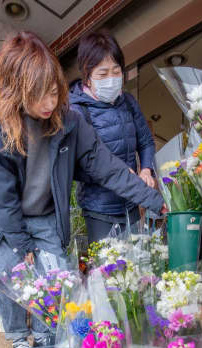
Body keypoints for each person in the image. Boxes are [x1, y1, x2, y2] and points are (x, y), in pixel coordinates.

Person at [0, 31, 165, 348]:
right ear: (18, 92)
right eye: (40, 96)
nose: (50, 104)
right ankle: (19, 338)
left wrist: (152, 199)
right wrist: (21, 245)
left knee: (60, 284)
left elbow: (109, 168)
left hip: (45, 214)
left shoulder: (68, 119)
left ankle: (49, 339)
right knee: (11, 273)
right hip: (2, 217)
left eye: (53, 92)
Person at [70, 31, 157, 243]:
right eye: (102, 74)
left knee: (139, 266)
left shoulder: (127, 102)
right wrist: (114, 172)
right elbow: (77, 166)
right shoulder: (76, 110)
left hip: (131, 203)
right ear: (87, 76)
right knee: (108, 271)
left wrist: (146, 169)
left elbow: (145, 141)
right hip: (99, 209)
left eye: (116, 71)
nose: (111, 79)